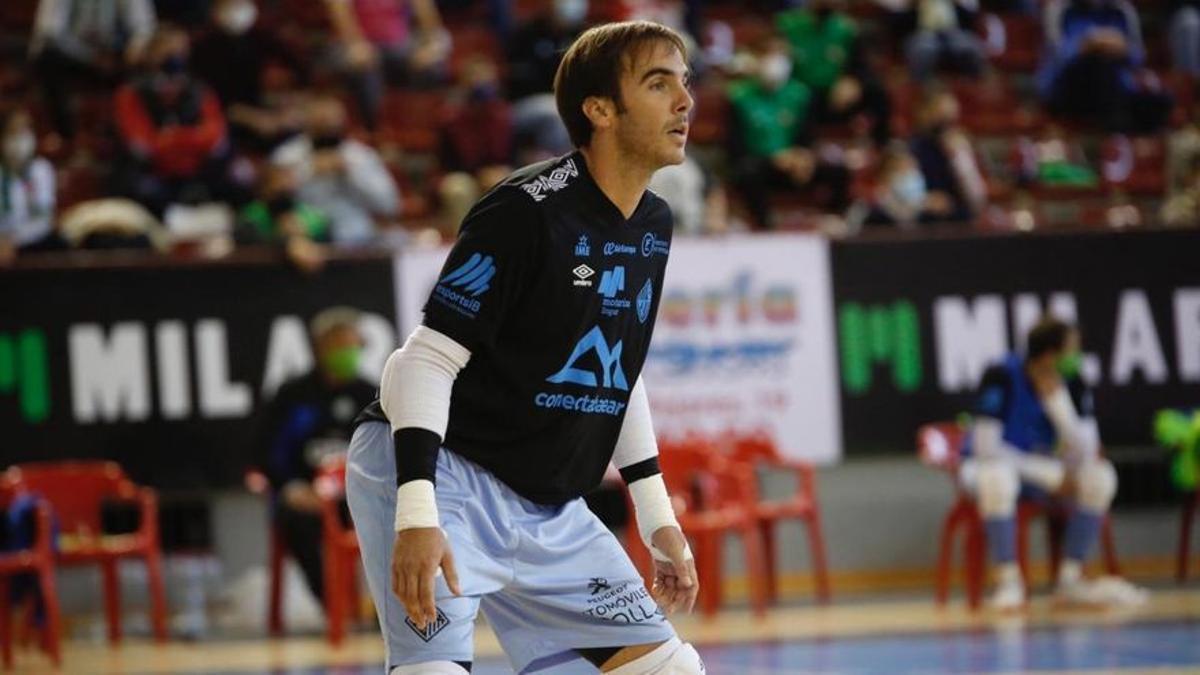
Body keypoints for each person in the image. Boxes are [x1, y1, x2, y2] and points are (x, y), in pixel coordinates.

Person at [345, 21, 705, 674]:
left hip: (546, 505)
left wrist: (658, 518)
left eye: (686, 83)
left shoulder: (654, 223)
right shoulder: (523, 212)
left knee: (670, 669)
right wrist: (416, 512)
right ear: (599, 109)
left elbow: (616, 373)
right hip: (447, 471)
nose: (685, 101)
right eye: (659, 84)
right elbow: (422, 361)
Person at [961, 317, 1148, 610]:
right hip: (993, 470)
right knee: (997, 478)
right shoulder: (1001, 375)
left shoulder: (1073, 381)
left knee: (1100, 476)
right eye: (1071, 349)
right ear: (1050, 354)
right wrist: (1045, 474)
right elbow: (986, 448)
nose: (1077, 356)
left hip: (1052, 474)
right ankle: (1008, 581)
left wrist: (1059, 406)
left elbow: (1086, 451)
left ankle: (1070, 580)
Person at [256, 307, 378, 608]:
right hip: (307, 495)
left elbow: (386, 453)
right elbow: (264, 451)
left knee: (393, 518)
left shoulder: (370, 393)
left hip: (357, 495)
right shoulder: (292, 395)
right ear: (321, 347)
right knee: (297, 520)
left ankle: (387, 609)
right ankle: (336, 605)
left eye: (354, 346)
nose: (349, 353)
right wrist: (291, 487)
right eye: (341, 346)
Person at [112, 27, 232, 217]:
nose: (174, 56)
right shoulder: (131, 93)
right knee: (140, 189)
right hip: (154, 173)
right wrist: (191, 138)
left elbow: (215, 136)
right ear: (151, 54)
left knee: (235, 180)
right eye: (166, 50)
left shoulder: (199, 91)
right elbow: (142, 145)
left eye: (179, 50)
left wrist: (173, 136)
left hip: (197, 170)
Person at [272, 94, 400, 246]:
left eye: (332, 123)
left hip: (357, 239)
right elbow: (272, 195)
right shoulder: (287, 155)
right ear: (308, 122)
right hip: (306, 238)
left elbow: (390, 205)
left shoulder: (360, 155)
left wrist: (352, 173)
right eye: (321, 123)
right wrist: (309, 170)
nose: (328, 128)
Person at [29, 0, 157, 143]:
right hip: (69, 54)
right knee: (48, 58)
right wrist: (89, 57)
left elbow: (144, 27)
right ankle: (64, 134)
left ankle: (132, 139)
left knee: (147, 60)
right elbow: (50, 32)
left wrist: (133, 49)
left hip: (112, 54)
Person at [0, 108, 61, 264]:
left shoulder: (41, 170)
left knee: (58, 243)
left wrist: (14, 240)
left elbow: (45, 219)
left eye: (25, 131)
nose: (20, 139)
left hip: (32, 241)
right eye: (13, 133)